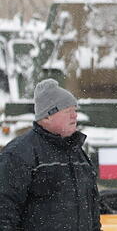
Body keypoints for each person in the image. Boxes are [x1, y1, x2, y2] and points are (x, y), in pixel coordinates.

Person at [0, 79, 101, 231]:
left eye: (75, 111)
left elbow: (93, 211)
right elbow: (5, 212)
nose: (75, 116)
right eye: (68, 111)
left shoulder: (77, 153)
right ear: (47, 116)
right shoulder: (18, 154)